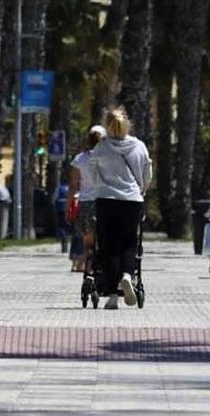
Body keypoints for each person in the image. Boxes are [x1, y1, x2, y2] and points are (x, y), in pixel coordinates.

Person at [88, 108, 151, 310]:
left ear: (108, 125)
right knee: (129, 241)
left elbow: (92, 171)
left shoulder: (101, 148)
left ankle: (113, 295)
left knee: (109, 247)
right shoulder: (139, 146)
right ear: (127, 124)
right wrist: (141, 189)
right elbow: (147, 171)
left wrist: (100, 186)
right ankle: (127, 275)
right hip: (132, 200)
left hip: (106, 200)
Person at [67, 125, 105, 273]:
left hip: (86, 203)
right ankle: (95, 265)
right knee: (103, 237)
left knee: (87, 239)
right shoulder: (108, 158)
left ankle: (85, 266)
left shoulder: (80, 159)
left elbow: (73, 186)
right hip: (104, 201)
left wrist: (68, 207)